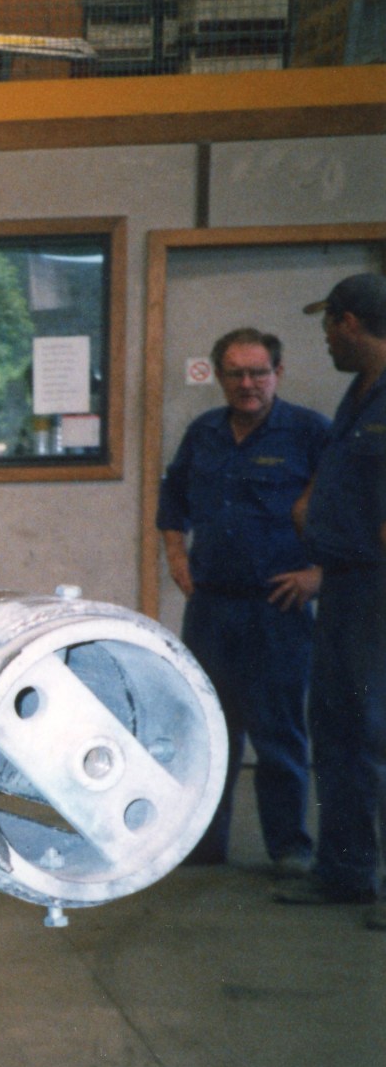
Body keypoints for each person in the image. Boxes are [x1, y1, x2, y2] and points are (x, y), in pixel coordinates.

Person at [156, 327, 326, 870]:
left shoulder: (309, 432)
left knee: (278, 732)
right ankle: (205, 847)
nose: (247, 384)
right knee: (208, 730)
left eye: (258, 373)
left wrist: (319, 574)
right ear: (219, 376)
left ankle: (289, 848)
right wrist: (176, 554)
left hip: (278, 608)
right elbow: (172, 497)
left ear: (278, 373)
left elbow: (353, 508)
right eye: (236, 374)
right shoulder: (204, 431)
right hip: (211, 608)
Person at [273, 274, 386, 919]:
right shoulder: (359, 394)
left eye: (327, 325)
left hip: (377, 588)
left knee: (377, 730)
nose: (324, 339)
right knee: (337, 728)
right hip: (345, 584)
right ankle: (345, 871)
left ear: (349, 321)